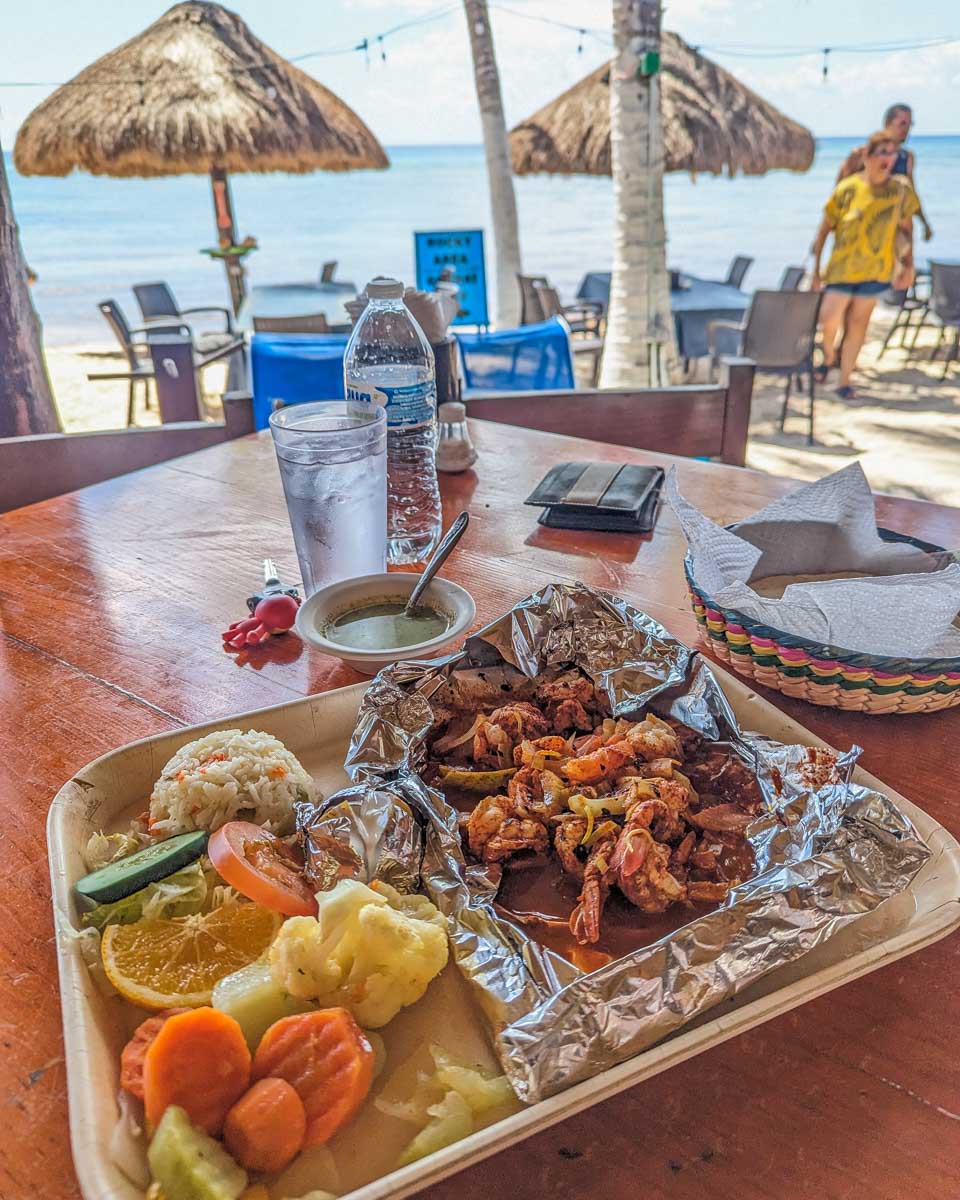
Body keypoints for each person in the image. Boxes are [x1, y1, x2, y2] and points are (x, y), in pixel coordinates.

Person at [811, 130, 917, 399]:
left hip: (875, 269)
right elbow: (824, 231)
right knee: (830, 318)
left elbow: (907, 229)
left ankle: (844, 380)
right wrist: (815, 270)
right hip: (841, 269)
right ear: (868, 156)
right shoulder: (848, 187)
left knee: (858, 325)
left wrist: (908, 266)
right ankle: (829, 356)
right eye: (883, 152)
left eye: (893, 153)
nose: (889, 158)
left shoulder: (900, 190)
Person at [837, 103, 933, 240]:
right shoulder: (862, 155)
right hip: (864, 229)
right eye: (902, 123)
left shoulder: (907, 158)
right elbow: (839, 193)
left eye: (909, 124)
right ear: (888, 123)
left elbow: (912, 195)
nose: (907, 129)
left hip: (894, 230)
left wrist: (924, 223)